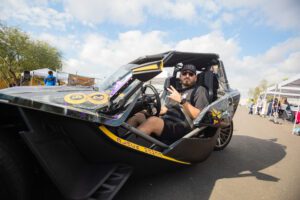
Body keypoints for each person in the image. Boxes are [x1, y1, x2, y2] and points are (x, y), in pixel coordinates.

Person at [127, 64, 209, 144]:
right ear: (180, 76)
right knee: (139, 115)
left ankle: (128, 147)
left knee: (153, 121)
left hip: (182, 126)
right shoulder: (177, 91)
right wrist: (148, 111)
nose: (187, 76)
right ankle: (122, 140)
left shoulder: (200, 90)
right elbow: (165, 109)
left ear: (195, 77)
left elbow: (199, 116)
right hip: (167, 122)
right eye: (184, 73)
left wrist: (182, 100)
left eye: (191, 74)